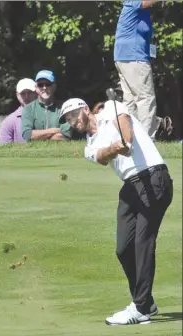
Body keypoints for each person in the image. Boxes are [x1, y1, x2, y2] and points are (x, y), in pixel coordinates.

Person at [59, 97, 173, 325]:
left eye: (72, 116)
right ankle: (147, 301)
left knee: (143, 243)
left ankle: (140, 308)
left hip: (154, 176)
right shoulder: (89, 145)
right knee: (123, 249)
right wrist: (114, 148)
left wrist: (126, 142)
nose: (71, 122)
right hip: (131, 186)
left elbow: (124, 124)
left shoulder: (111, 108)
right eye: (66, 120)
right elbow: (101, 157)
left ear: (83, 110)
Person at [114, 0, 160, 139]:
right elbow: (145, 2)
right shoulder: (133, 3)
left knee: (130, 101)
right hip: (134, 57)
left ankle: (131, 141)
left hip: (125, 58)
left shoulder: (140, 11)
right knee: (145, 99)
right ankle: (147, 143)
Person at [21, 70, 72, 142]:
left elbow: (66, 135)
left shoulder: (65, 107)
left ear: (54, 86)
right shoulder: (28, 109)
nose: (44, 88)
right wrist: (54, 130)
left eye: (48, 84)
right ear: (36, 87)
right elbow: (27, 135)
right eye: (40, 85)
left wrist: (37, 137)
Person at [0, 78, 36, 144]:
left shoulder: (46, 115)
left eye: (30, 92)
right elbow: (5, 152)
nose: (26, 96)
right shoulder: (8, 122)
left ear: (36, 93)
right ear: (17, 95)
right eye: (23, 93)